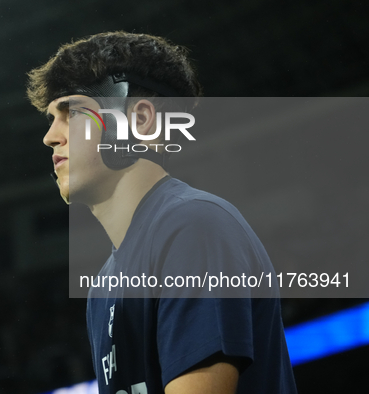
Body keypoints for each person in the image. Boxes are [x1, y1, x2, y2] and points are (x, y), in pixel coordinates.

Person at [26, 31, 297, 394]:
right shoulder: (103, 287)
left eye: (72, 113)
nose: (51, 137)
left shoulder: (193, 225)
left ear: (140, 120)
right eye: (50, 119)